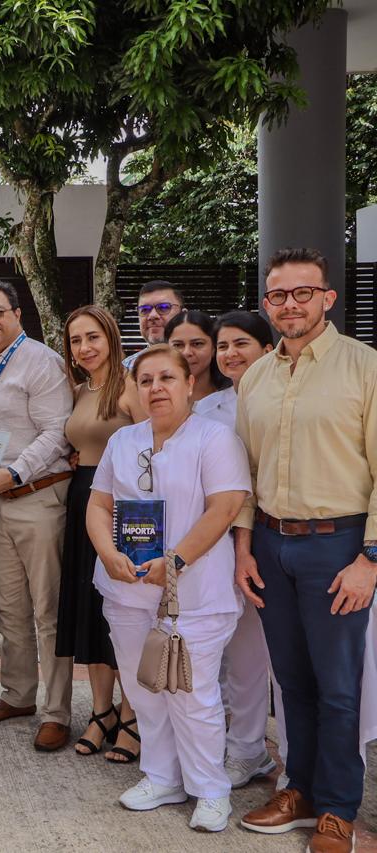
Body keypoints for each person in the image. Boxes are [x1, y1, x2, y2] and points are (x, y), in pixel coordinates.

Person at [234, 248, 377, 852]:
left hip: (339, 545)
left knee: (338, 687)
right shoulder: (256, 377)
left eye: (302, 293)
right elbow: (246, 472)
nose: (289, 304)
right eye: (278, 295)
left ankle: (338, 808)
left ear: (327, 298)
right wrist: (244, 548)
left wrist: (370, 558)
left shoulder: (365, 367)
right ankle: (300, 790)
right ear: (267, 302)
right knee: (291, 681)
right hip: (270, 543)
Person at [86, 343, 250, 832]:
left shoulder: (214, 438)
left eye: (167, 378)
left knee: (192, 694)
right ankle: (161, 777)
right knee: (145, 689)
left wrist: (175, 562)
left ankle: (211, 789)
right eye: (146, 380)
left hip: (194, 592)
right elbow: (98, 506)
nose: (155, 388)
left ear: (190, 384)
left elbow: (225, 507)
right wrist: (107, 554)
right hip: (127, 590)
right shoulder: (123, 441)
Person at [0, 279, 74, 752]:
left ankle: (57, 712)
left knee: (47, 610)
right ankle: (18, 694)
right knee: (9, 606)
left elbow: (57, 431)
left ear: (17, 313)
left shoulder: (41, 361)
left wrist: (15, 471)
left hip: (39, 497)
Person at [57, 306, 144, 762]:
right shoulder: (77, 391)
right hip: (81, 500)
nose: (85, 347)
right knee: (90, 611)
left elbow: (155, 450)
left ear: (110, 337)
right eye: (76, 340)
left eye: (92, 337)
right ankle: (101, 711)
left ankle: (133, 717)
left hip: (122, 506)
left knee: (124, 613)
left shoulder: (131, 387)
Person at [209, 310, 279, 789]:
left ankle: (294, 760)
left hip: (278, 535)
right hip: (226, 544)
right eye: (223, 346)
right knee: (244, 656)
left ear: (268, 350)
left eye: (242, 344)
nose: (230, 354)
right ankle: (248, 751)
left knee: (289, 664)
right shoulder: (206, 410)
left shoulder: (282, 401)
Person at [165, 310, 232, 421]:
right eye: (178, 345)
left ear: (214, 348)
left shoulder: (233, 399)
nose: (187, 352)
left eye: (197, 344)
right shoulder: (157, 397)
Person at [124, 281, 184, 369]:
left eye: (163, 307)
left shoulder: (200, 362)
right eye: (144, 310)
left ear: (183, 315)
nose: (152, 316)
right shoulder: (126, 369)